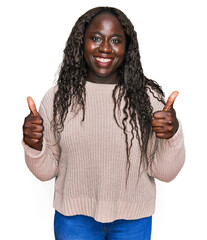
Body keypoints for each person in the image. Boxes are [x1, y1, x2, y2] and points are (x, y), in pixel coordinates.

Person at [22, 6, 185, 240]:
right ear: (81, 42)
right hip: (73, 221)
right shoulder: (58, 97)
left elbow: (165, 172)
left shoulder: (148, 99)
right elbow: (46, 172)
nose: (105, 48)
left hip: (133, 221)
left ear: (127, 48)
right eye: (96, 38)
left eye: (116, 40)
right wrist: (34, 145)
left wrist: (172, 135)